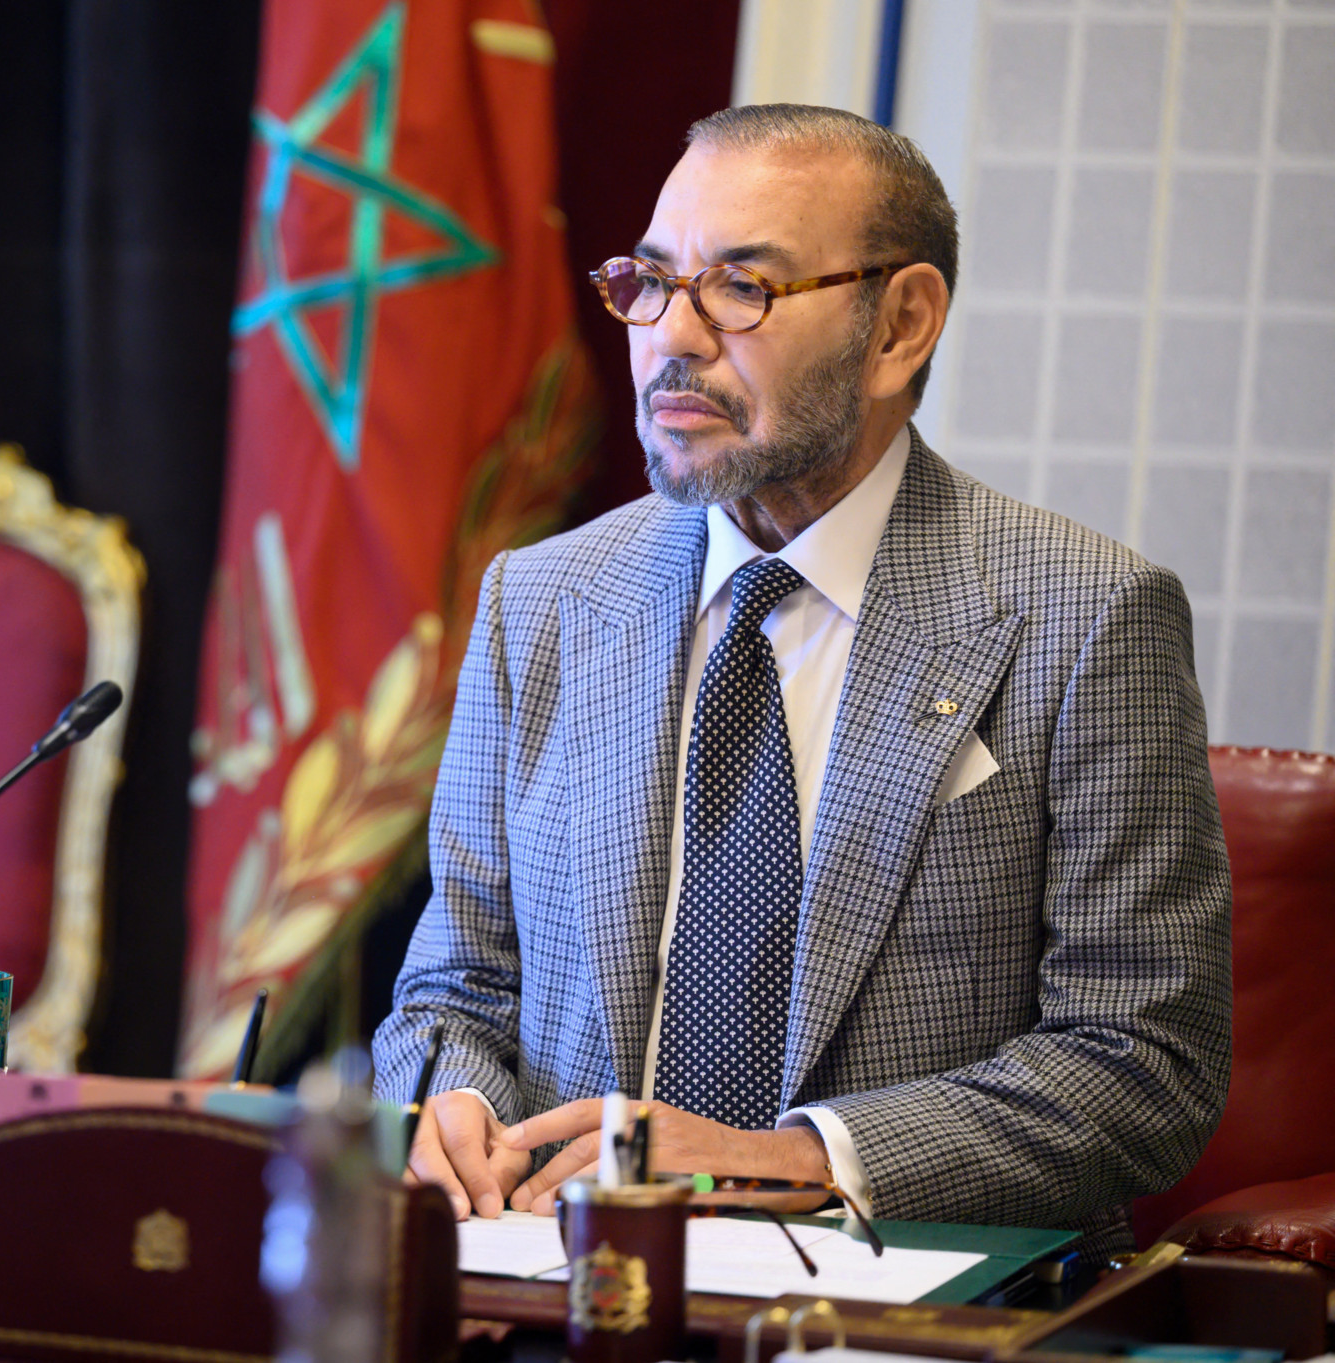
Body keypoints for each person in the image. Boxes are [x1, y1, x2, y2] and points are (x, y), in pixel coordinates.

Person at [370, 104, 1230, 1267]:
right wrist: (449, 1101)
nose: (670, 336)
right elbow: (457, 979)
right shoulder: (543, 598)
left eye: (738, 288)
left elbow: (1142, 1060)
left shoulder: (1085, 615)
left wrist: (800, 1157)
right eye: (647, 281)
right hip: (555, 1279)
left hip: (904, 1291)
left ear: (899, 324)